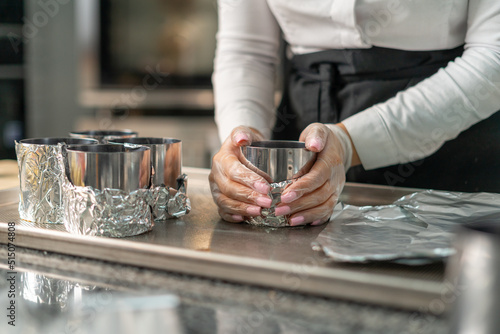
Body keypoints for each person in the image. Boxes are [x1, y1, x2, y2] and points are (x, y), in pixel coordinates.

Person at [209, 0, 500, 225]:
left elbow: (494, 55)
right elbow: (247, 51)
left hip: (449, 130)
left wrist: (349, 143)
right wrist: (243, 146)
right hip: (303, 124)